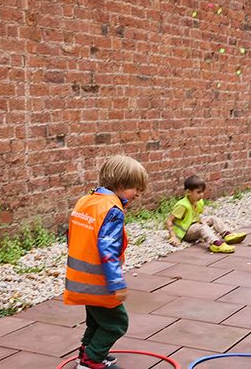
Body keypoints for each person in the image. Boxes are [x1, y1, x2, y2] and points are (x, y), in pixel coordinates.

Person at [65, 155, 148, 369]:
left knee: (96, 320)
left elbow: (71, 236)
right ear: (121, 185)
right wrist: (117, 282)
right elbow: (108, 250)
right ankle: (92, 360)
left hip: (79, 278)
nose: (138, 194)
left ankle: (87, 352)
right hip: (100, 281)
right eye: (136, 189)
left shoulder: (86, 201)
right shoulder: (112, 210)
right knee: (116, 323)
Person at [166, 175, 247, 253]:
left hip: (194, 225)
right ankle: (215, 243)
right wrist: (173, 236)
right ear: (188, 192)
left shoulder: (199, 202)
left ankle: (227, 234)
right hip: (185, 232)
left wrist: (201, 221)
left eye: (202, 192)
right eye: (198, 192)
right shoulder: (182, 205)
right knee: (202, 228)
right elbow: (168, 220)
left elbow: (196, 215)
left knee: (213, 218)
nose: (201, 195)